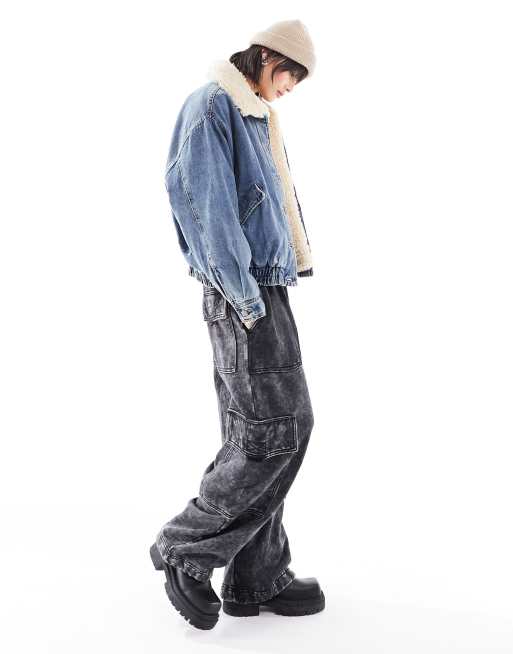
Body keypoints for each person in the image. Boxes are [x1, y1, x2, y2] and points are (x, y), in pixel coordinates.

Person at [150, 19, 324, 629]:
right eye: (291, 75)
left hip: (265, 285)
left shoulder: (253, 114)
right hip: (242, 289)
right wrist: (243, 296)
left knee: (260, 433)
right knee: (278, 431)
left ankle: (257, 575)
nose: (291, 88)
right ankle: (185, 547)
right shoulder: (212, 106)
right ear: (268, 57)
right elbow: (204, 206)